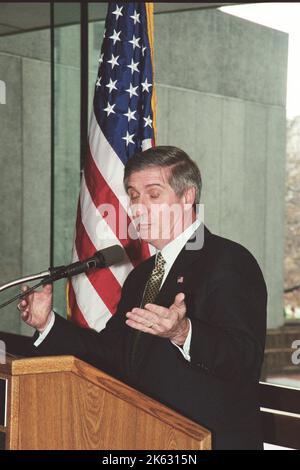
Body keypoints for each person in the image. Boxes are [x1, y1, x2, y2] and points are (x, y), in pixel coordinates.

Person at [18, 146, 267, 450]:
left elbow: (244, 358)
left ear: (187, 197)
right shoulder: (143, 274)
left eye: (153, 194)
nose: (137, 207)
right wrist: (47, 324)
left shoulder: (228, 260)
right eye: (134, 196)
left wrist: (183, 332)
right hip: (144, 438)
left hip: (207, 442)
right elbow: (112, 353)